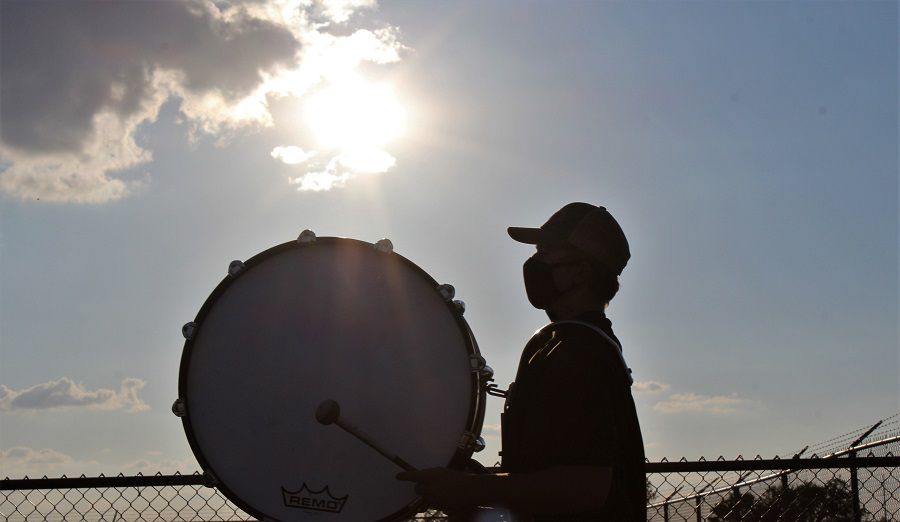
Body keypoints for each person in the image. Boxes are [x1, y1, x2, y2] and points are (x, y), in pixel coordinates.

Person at [397, 202, 646, 521]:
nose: (533, 263)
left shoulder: (581, 352)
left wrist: (471, 489)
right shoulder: (568, 342)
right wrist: (475, 482)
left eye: (547, 252)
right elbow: (548, 472)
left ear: (581, 270)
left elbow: (587, 486)